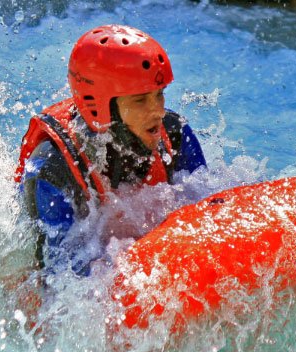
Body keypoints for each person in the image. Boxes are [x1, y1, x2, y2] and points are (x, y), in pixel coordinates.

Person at [15, 25, 206, 276]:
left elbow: (207, 213)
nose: (158, 110)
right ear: (103, 110)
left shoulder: (174, 134)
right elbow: (57, 281)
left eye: (159, 95)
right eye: (140, 100)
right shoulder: (52, 170)